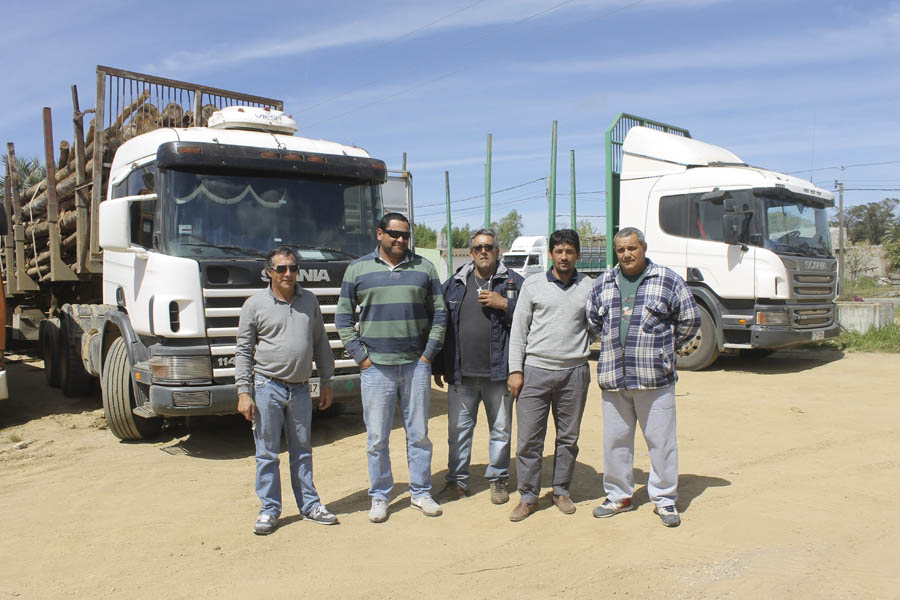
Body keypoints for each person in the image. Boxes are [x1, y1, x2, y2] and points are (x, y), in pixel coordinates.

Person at [335, 212, 447, 523]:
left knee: (419, 434)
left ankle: (421, 491)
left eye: (405, 235)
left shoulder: (424, 268)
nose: (400, 240)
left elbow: (439, 315)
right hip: (376, 369)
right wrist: (363, 359)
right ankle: (380, 495)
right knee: (376, 438)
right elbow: (343, 319)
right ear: (379, 234)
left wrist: (427, 356)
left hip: (416, 365)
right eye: (394, 234)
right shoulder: (357, 269)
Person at [585, 227, 700, 527]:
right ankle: (619, 496)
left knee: (661, 442)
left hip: (654, 378)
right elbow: (593, 322)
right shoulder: (603, 283)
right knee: (616, 442)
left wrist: (666, 349)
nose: (626, 255)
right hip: (614, 377)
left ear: (644, 248)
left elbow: (690, 319)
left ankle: (664, 499)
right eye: (621, 250)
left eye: (632, 248)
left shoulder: (667, 279)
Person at [235, 246, 339, 535]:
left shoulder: (309, 301)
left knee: (303, 451)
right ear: (269, 272)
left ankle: (309, 505)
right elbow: (243, 351)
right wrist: (244, 391)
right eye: (281, 269)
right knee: (267, 453)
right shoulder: (254, 305)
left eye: (293, 268)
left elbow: (320, 342)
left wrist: (327, 380)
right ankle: (269, 510)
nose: (289, 274)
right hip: (267, 387)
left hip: (301, 390)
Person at [507, 229, 594, 522]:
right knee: (529, 439)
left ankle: (561, 491)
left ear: (578, 255)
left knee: (568, 438)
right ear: (551, 255)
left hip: (575, 373)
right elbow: (518, 331)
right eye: (559, 251)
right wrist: (516, 370)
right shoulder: (532, 286)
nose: (564, 256)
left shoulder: (589, 287)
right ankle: (528, 496)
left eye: (570, 251)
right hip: (535, 371)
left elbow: (595, 326)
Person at [432, 229, 525, 505]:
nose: (483, 251)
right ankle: (457, 482)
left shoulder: (514, 282)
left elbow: (530, 320)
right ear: (471, 253)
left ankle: (497, 480)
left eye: (489, 247)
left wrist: (505, 303)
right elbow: (442, 324)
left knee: (500, 430)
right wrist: (439, 365)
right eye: (478, 248)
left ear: (498, 251)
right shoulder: (455, 284)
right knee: (458, 431)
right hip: (461, 375)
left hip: (499, 374)